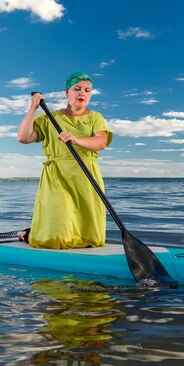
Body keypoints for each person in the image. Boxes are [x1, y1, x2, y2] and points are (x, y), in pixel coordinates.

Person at [16, 71, 112, 249]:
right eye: (77, 89)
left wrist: (76, 140)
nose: (82, 93)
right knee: (58, 228)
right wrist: (33, 108)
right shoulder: (50, 118)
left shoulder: (95, 117)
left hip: (87, 174)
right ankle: (30, 235)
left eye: (87, 90)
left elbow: (101, 142)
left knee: (91, 237)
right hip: (58, 175)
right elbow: (23, 137)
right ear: (67, 92)